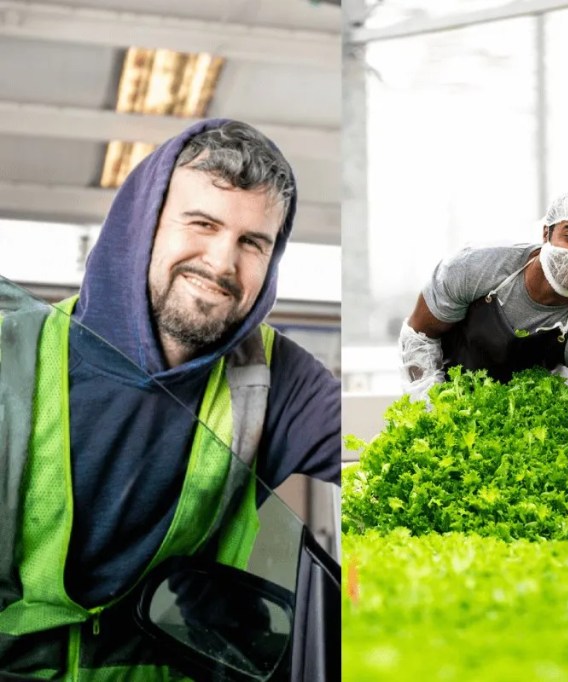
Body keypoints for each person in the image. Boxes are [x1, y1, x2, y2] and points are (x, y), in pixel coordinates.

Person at [0, 119, 340, 678]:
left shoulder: (278, 376)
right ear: (143, 224)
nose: (222, 263)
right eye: (202, 223)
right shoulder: (13, 351)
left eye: (252, 242)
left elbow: (392, 472)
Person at [399, 190, 568, 418]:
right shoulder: (476, 266)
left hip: (533, 424)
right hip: (453, 403)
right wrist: (435, 412)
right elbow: (419, 336)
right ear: (546, 234)